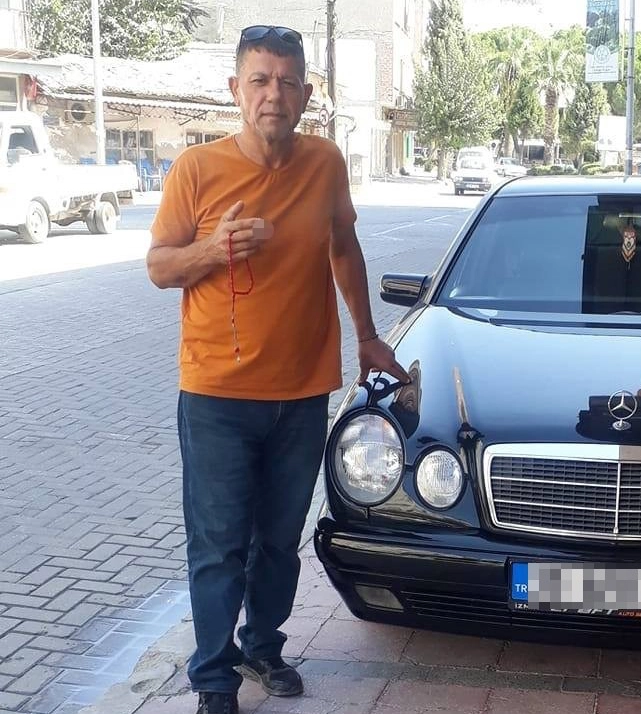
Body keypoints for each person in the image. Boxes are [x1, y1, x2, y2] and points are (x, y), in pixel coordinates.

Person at [145, 25, 409, 714]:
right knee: (218, 546)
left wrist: (367, 336)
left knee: (280, 542)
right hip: (217, 398)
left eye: (287, 82)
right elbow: (160, 267)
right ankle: (214, 679)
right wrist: (213, 249)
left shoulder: (325, 162)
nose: (273, 94)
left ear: (306, 95)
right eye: (260, 80)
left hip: (302, 395)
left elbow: (344, 246)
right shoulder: (196, 169)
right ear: (236, 89)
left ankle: (263, 645)